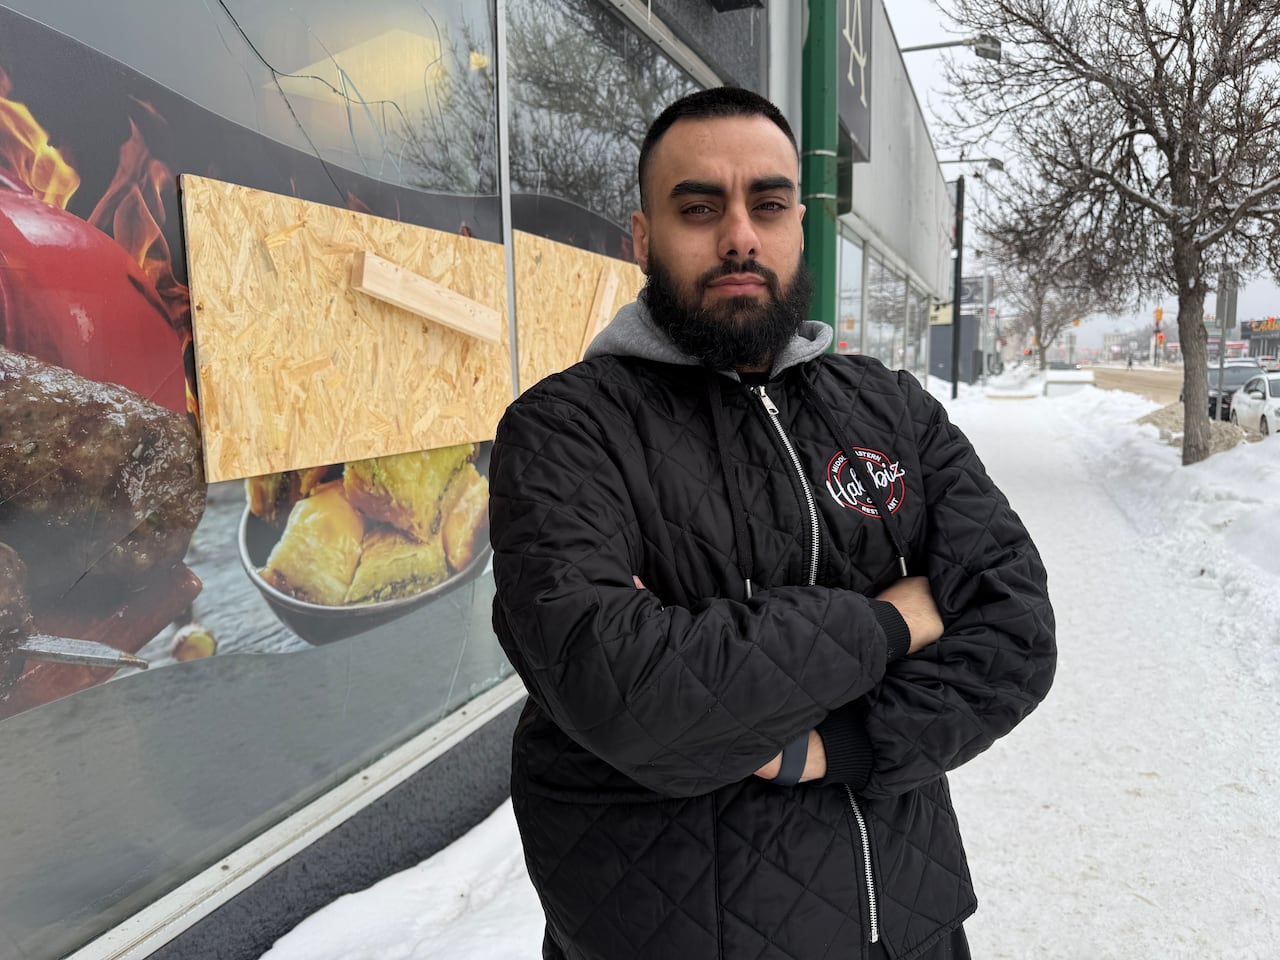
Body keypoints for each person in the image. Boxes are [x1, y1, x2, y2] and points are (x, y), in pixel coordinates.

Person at [489, 86, 1056, 960]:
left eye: (769, 202)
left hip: (903, 921)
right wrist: (891, 620)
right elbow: (631, 695)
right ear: (643, 239)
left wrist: (839, 744)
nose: (740, 234)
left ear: (799, 224)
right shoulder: (566, 430)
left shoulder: (890, 409)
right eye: (699, 207)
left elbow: (1015, 631)